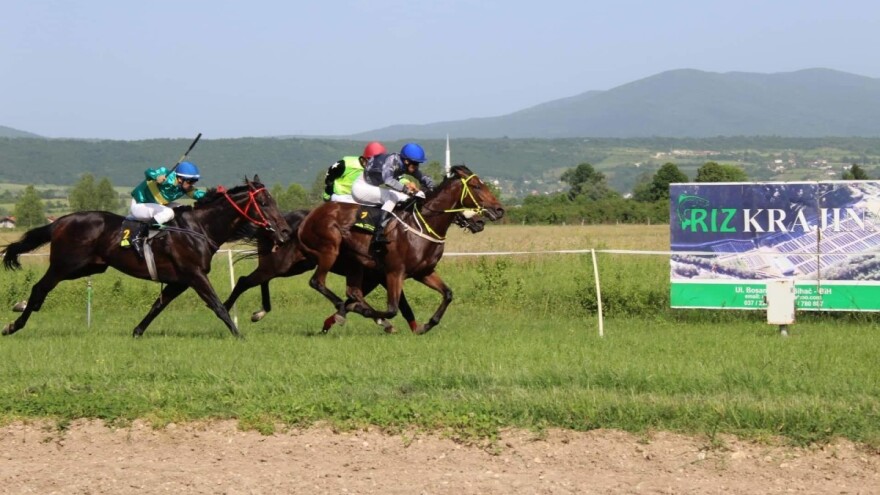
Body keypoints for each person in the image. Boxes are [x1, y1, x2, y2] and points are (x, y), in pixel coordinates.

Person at [351, 142, 435, 251]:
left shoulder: (405, 163)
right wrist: (408, 191)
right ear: (406, 160)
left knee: (403, 198)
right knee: (393, 196)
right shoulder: (391, 162)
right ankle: (378, 233)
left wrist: (434, 188)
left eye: (418, 164)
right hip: (361, 188)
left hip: (370, 186)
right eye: (415, 164)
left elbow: (422, 177)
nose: (417, 167)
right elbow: (388, 181)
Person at [125, 161, 205, 258]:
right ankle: (137, 235)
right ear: (180, 179)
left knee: (184, 210)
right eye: (190, 181)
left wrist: (219, 195)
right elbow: (148, 172)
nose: (192, 184)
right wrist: (156, 177)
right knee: (168, 213)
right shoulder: (166, 174)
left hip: (157, 206)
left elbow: (200, 195)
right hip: (140, 205)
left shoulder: (185, 188)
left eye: (194, 181)